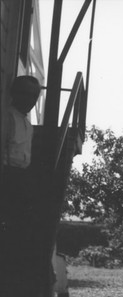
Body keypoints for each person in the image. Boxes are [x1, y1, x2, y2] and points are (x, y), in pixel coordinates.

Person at [0, 75, 41, 295]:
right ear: (16, 93)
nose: (31, 100)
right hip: (8, 175)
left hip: (23, 175)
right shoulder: (7, 117)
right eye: (26, 94)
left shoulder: (27, 123)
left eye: (35, 96)